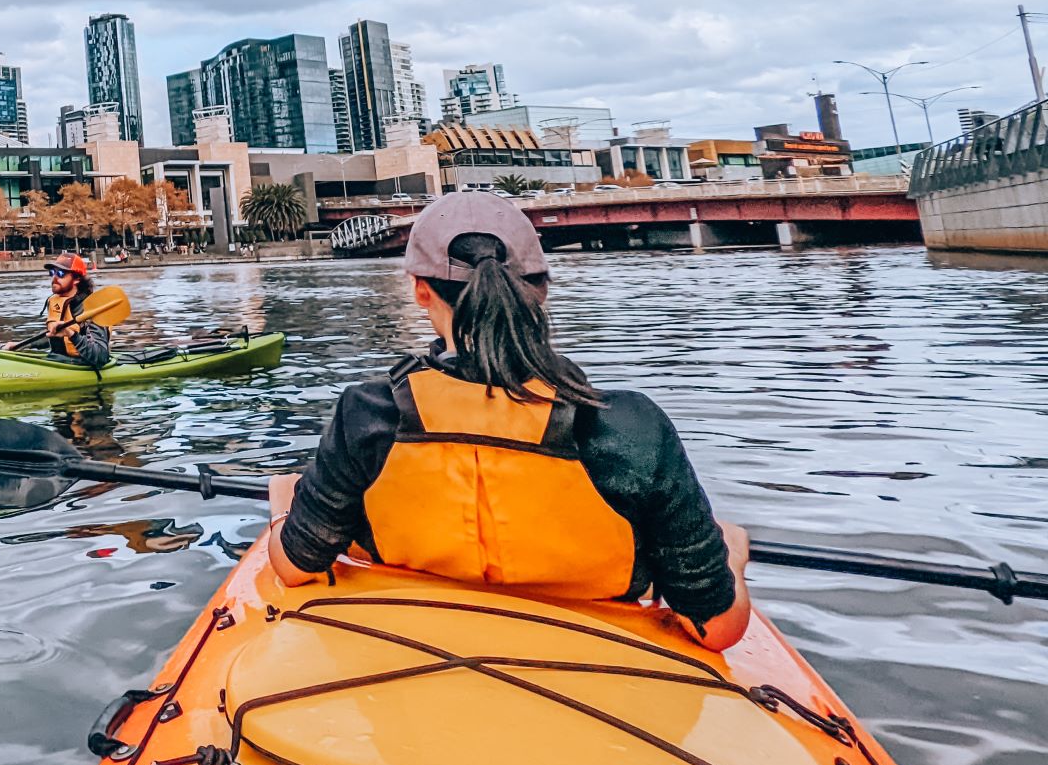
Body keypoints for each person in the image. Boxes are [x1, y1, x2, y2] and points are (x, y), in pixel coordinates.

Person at [266, 191, 751, 650]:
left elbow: (293, 567)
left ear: (420, 291)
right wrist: (730, 552)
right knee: (727, 537)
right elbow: (717, 628)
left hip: (410, 645)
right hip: (595, 660)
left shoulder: (368, 411)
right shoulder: (630, 424)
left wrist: (285, 507)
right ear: (541, 288)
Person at [43, 254, 113, 367]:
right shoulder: (57, 303)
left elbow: (101, 356)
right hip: (59, 361)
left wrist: (71, 334)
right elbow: (54, 337)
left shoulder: (93, 309)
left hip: (85, 366)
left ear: (76, 279)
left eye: (60, 274)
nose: (54, 278)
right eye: (52, 273)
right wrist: (21, 345)